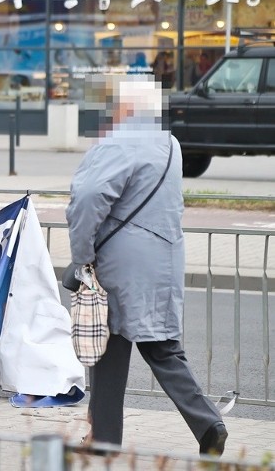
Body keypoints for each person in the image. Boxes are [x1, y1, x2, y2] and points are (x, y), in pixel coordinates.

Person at [65, 74, 228, 457]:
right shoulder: (168, 143)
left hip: (121, 263)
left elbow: (88, 199)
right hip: (164, 257)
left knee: (107, 348)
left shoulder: (120, 141)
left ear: (127, 108)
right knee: (163, 348)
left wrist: (81, 255)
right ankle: (208, 424)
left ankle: (104, 440)